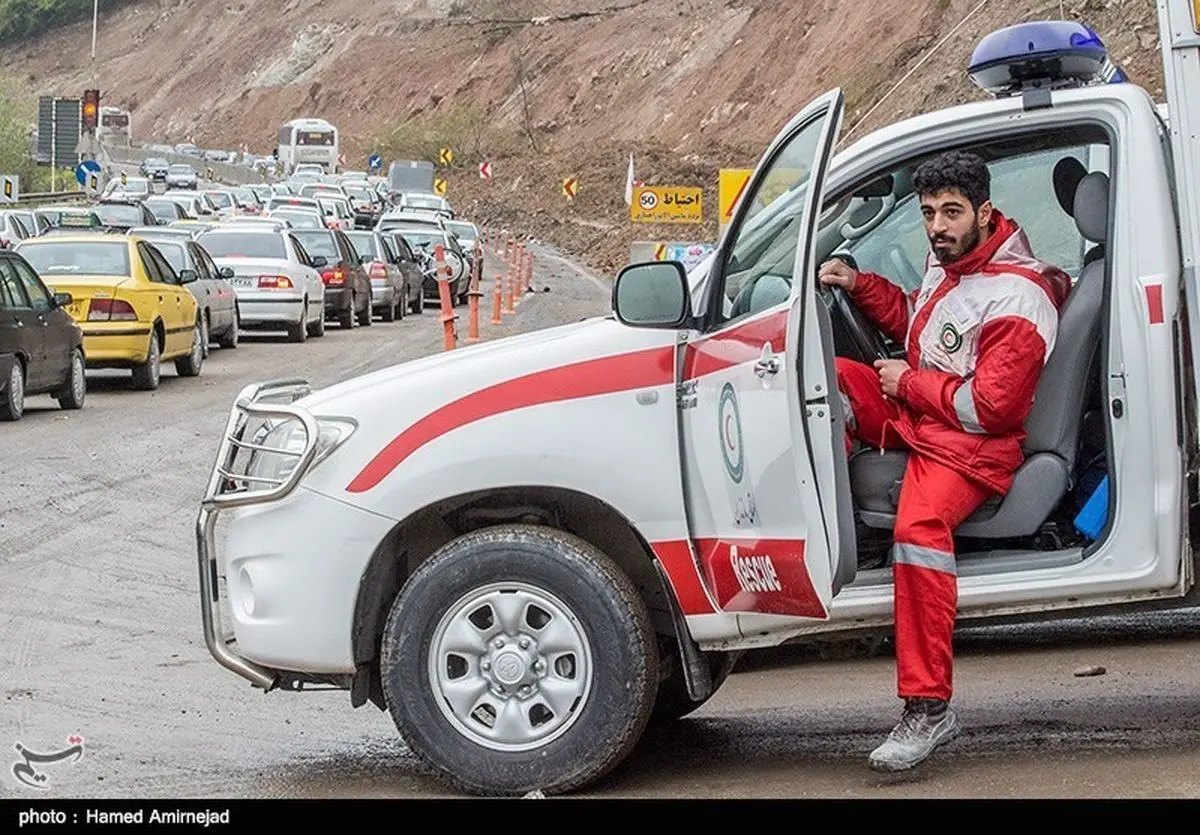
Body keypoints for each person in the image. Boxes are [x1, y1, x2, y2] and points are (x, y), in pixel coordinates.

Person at [818, 150, 1070, 773]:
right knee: (825, 383)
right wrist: (861, 286)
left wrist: (908, 385)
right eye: (928, 212)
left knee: (918, 531)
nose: (937, 226)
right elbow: (926, 326)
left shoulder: (1018, 297)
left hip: (971, 446)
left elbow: (991, 409)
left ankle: (928, 708)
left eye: (951, 212)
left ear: (984, 212)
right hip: (928, 416)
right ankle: (829, 537)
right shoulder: (952, 262)